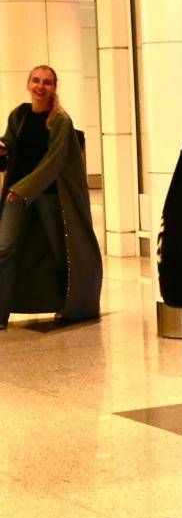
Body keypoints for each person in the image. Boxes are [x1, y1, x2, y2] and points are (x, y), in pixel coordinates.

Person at [0, 65, 102, 329]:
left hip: (49, 195)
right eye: (36, 80)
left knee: (61, 253)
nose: (40, 86)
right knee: (4, 249)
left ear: (54, 87)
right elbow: (10, 144)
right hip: (16, 194)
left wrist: (24, 189)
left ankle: (70, 306)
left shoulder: (59, 120)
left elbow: (53, 162)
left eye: (47, 82)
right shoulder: (19, 115)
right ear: (28, 84)